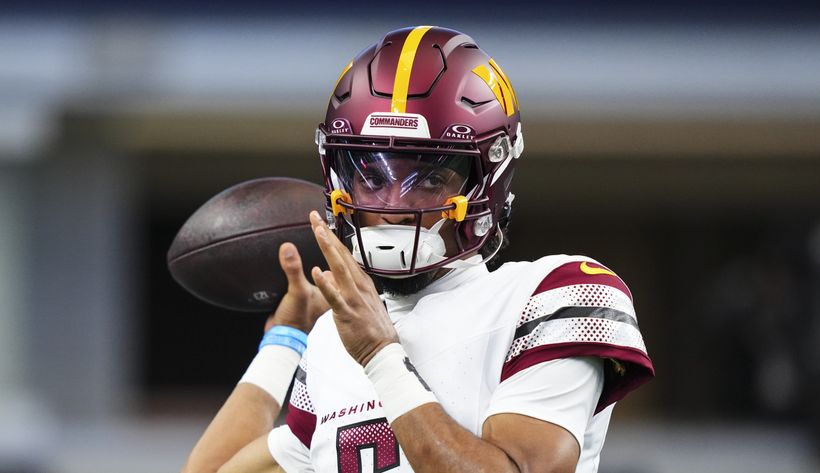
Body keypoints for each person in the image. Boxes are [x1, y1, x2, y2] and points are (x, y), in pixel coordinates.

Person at [182, 26, 654, 473]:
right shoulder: (331, 341)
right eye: (370, 177)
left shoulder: (554, 293)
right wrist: (286, 342)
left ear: (487, 182)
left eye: (427, 179)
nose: (392, 205)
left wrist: (380, 356)